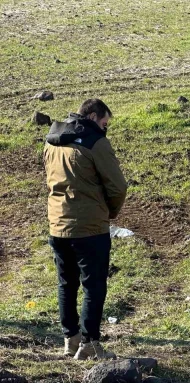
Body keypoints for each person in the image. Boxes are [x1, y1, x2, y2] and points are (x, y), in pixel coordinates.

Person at [44, 98, 128, 360]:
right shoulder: (96, 142)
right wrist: (109, 212)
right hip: (90, 228)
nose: (105, 129)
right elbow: (118, 187)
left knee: (66, 284)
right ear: (92, 117)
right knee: (93, 286)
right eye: (104, 123)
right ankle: (90, 344)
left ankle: (71, 339)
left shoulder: (52, 140)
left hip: (57, 224)